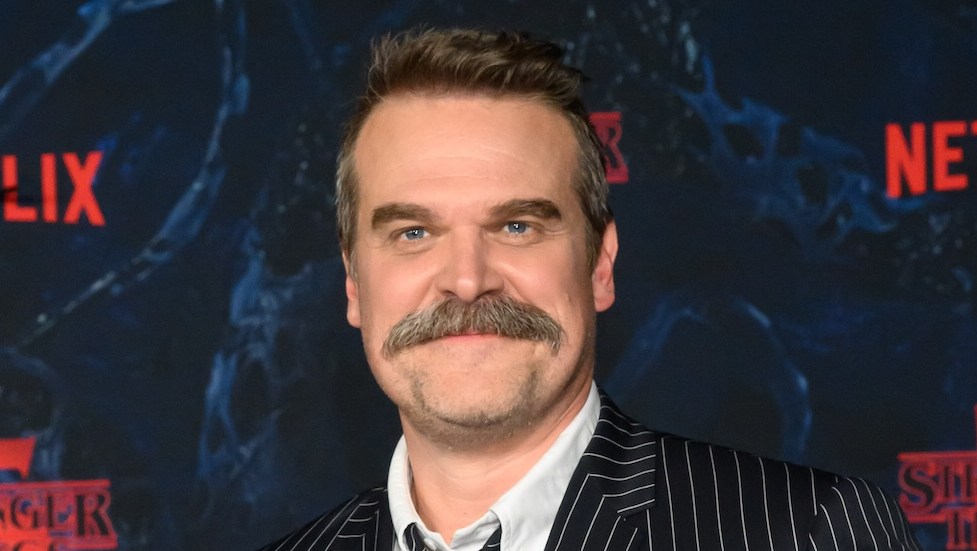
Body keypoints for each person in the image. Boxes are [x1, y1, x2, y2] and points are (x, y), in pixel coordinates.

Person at [259, 28, 920, 551]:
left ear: (600, 265)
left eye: (516, 226)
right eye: (412, 233)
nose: (467, 279)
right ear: (354, 284)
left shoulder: (809, 533)